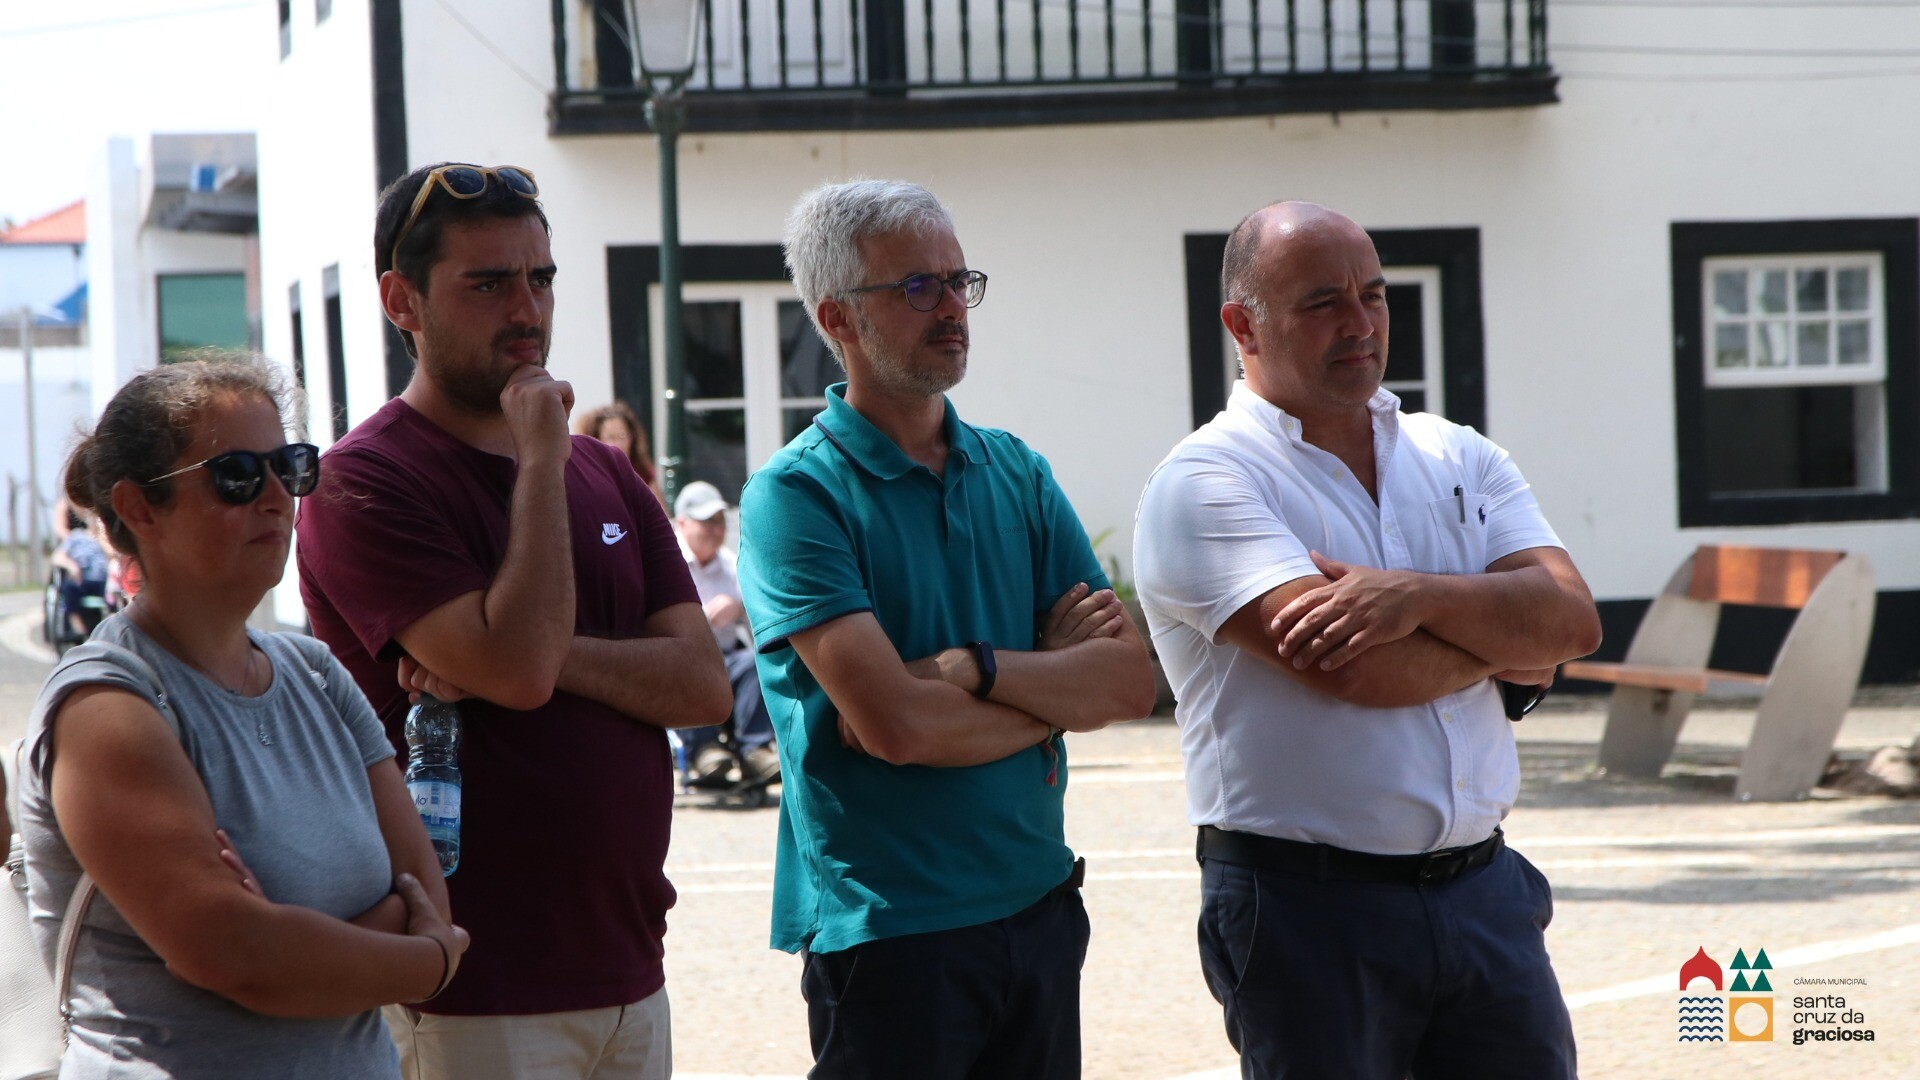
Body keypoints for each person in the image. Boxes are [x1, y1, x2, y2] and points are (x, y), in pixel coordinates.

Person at [1133, 201, 1603, 1080]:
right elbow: (1359, 672)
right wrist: (1507, 647)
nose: (1360, 323)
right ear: (1243, 325)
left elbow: (1574, 621)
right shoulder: (1205, 482)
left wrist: (1415, 596)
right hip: (1309, 912)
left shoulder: (1458, 454)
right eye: (1323, 302)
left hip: (1484, 894)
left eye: (1374, 294)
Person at [296, 162, 731, 1080]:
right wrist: (539, 460)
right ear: (402, 301)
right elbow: (521, 673)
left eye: (541, 278)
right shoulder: (360, 481)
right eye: (489, 284)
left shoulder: (604, 471)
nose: (528, 310)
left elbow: (701, 686)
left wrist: (518, 653)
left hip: (629, 971)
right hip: (467, 988)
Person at [738, 179, 1157, 1078]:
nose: (953, 308)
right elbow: (893, 727)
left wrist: (973, 667)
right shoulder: (796, 496)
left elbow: (1129, 684)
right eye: (917, 288)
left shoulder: (1017, 471)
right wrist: (1051, 687)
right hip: (892, 935)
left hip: (1040, 906)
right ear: (837, 318)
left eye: (959, 281)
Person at [16, 353, 467, 1079]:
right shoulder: (106, 705)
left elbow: (425, 890)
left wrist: (289, 942)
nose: (278, 498)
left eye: (290, 467)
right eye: (236, 476)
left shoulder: (316, 673)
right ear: (139, 509)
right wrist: (426, 961)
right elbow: (233, 954)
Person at [669, 480, 778, 788]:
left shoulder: (732, 564)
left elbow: (759, 624)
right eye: (707, 521)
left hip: (726, 659)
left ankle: (755, 749)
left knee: (755, 660)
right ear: (682, 523)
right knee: (688, 660)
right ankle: (703, 748)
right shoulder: (666, 559)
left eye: (720, 521)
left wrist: (739, 606)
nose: (717, 530)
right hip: (682, 657)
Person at [576, 400, 664, 507]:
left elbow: (661, 511)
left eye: (622, 436)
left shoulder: (643, 471)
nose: (618, 444)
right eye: (610, 437)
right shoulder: (588, 476)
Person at [49, 507, 109, 636]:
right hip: (81, 579)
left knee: (114, 589)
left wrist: (102, 539)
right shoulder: (76, 537)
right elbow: (57, 557)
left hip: (103, 580)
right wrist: (72, 566)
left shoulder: (107, 539)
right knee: (69, 587)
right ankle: (76, 623)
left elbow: (114, 556)